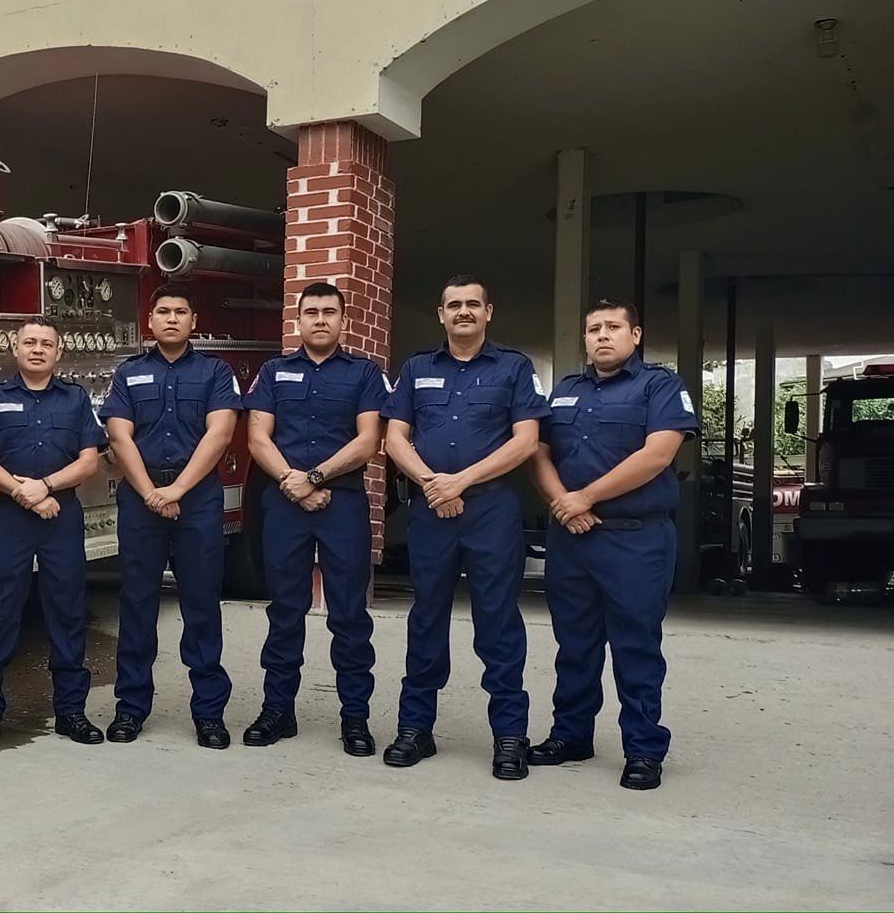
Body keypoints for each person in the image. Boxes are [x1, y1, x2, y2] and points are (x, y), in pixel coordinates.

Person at [381, 273, 549, 780]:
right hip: (432, 511)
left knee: (498, 621)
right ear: (441, 314)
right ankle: (415, 729)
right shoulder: (415, 369)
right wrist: (435, 484)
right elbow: (394, 438)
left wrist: (462, 482)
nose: (463, 312)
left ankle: (509, 736)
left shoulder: (515, 368)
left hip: (492, 510)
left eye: (473, 304)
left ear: (488, 311)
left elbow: (525, 442)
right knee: (426, 619)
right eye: (454, 304)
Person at [527, 298, 696, 791]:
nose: (602, 335)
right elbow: (538, 452)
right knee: (574, 645)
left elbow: (658, 455)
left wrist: (585, 498)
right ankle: (571, 735)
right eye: (593, 328)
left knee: (635, 646)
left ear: (636, 334)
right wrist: (563, 503)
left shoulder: (659, 386)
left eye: (613, 327)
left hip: (634, 540)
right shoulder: (564, 391)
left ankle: (643, 751)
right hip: (571, 540)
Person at [241, 282, 387, 755]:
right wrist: (292, 481)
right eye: (311, 312)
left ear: (343, 320)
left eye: (329, 312)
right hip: (284, 504)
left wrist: (316, 477)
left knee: (348, 614)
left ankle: (355, 719)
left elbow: (368, 441)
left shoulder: (364, 374)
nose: (320, 319)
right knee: (285, 611)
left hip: (342, 503)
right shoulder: (274, 372)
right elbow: (258, 437)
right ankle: (277, 711)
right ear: (297, 320)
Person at [99, 286, 243, 748]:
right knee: (137, 604)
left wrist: (177, 490)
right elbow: (119, 437)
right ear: (150, 321)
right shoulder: (129, 373)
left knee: (201, 606)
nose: (172, 318)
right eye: (163, 311)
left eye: (181, 311)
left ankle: (209, 714)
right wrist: (150, 493)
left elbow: (220, 434)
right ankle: (130, 708)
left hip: (196, 497)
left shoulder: (216, 372)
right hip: (141, 497)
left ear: (193, 319)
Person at [0, 319, 107, 747]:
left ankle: (71, 712)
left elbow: (89, 462)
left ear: (58, 353)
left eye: (46, 344)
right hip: (10, 517)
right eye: (30, 342)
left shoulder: (76, 399)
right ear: (16, 350)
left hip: (62, 514)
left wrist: (44, 486)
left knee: (67, 610)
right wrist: (24, 493)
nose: (38, 349)